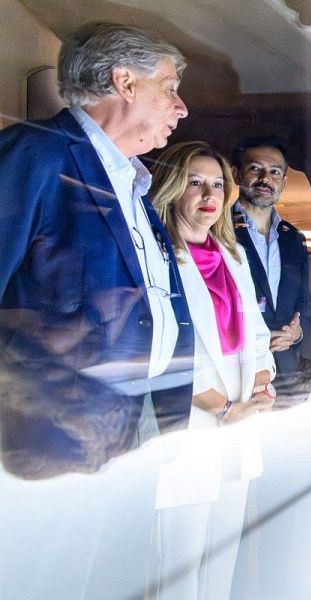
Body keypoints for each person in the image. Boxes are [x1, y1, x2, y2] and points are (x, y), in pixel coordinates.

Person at [0, 22, 194, 475]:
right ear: (124, 82)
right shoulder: (36, 154)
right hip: (55, 439)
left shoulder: (132, 183)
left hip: (135, 426)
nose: (181, 108)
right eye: (169, 88)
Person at [149, 141, 276, 599]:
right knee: (179, 574)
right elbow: (164, 351)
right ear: (173, 188)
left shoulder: (234, 254)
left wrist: (263, 382)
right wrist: (222, 408)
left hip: (240, 424)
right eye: (196, 182)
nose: (209, 193)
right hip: (192, 425)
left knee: (222, 564)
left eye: (218, 184)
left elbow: (258, 334)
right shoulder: (158, 257)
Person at [231, 136, 310, 376]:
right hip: (236, 367)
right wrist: (254, 339)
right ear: (236, 174)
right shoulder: (217, 231)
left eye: (275, 172)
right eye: (255, 168)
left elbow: (303, 302)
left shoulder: (294, 239)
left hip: (286, 367)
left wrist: (298, 333)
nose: (266, 179)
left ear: (284, 181)